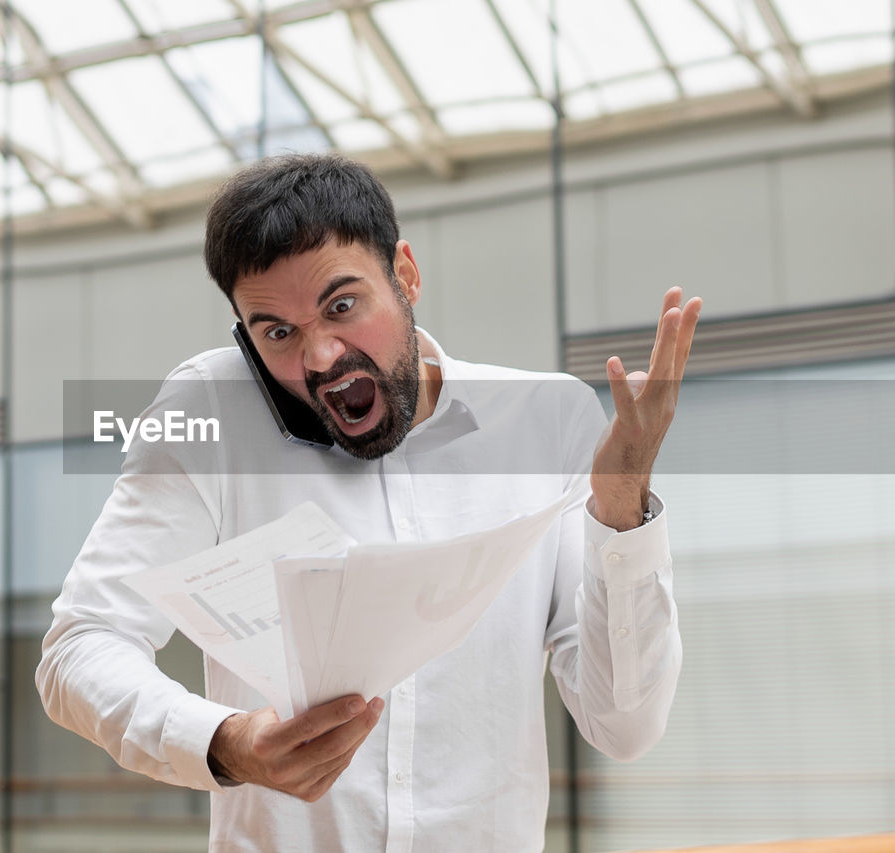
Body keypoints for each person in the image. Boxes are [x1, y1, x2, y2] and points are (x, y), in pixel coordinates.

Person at [39, 153, 701, 851]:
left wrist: (620, 511)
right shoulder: (211, 413)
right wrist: (227, 742)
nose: (321, 356)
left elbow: (624, 724)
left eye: (342, 305)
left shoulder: (543, 423)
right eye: (276, 332)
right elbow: (80, 649)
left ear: (406, 274)